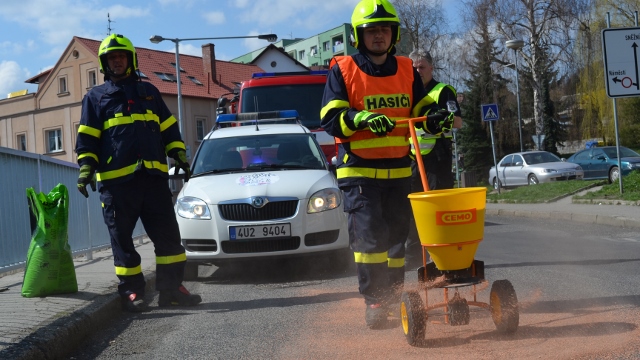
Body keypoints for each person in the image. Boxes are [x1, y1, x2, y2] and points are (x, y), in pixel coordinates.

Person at [320, 0, 434, 329]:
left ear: (393, 33)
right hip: (359, 173)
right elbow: (330, 118)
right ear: (360, 36)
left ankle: (395, 296)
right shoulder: (343, 69)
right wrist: (362, 118)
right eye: (372, 30)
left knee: (397, 241)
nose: (379, 36)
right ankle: (374, 300)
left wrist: (435, 116)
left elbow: (421, 106)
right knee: (370, 241)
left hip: (399, 171)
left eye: (384, 29)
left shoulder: (405, 68)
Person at [75, 34, 201, 312]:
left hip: (154, 180)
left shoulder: (149, 91)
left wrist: (178, 153)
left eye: (121, 57)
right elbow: (87, 139)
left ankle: (171, 290)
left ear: (130, 60)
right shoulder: (95, 98)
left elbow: (169, 128)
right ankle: (132, 292)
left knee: (169, 238)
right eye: (111, 58)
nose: (116, 62)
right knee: (122, 242)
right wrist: (86, 168)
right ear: (105, 63)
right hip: (117, 186)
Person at [405, 48, 463, 252]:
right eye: (414, 68)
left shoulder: (442, 90)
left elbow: (458, 122)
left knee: (438, 206)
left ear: (431, 67)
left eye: (422, 67)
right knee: (413, 207)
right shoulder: (407, 93)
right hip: (412, 158)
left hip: (437, 157)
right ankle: (415, 252)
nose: (418, 71)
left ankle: (443, 249)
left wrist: (436, 120)